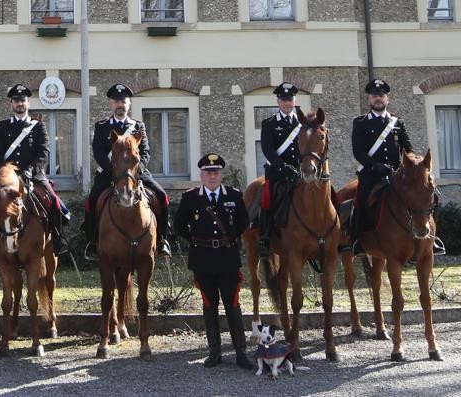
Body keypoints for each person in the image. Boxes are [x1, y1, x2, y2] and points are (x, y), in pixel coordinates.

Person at [347, 78, 445, 256]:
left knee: (433, 195)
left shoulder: (397, 123)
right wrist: (377, 166)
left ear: (387, 99)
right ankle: (358, 241)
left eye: (382, 96)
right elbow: (358, 152)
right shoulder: (360, 123)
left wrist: (416, 163)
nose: (378, 99)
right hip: (372, 174)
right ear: (369, 99)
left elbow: (407, 148)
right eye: (375, 96)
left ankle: (433, 239)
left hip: (398, 175)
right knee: (360, 199)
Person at [174, 153, 254, 370]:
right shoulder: (191, 198)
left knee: (233, 305)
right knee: (210, 307)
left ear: (221, 175)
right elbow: (178, 224)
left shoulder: (233, 195)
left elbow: (243, 222)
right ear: (202, 174)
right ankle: (214, 352)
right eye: (208, 173)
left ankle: (241, 352)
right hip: (203, 259)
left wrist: (229, 238)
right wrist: (195, 240)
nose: (212, 176)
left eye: (216, 172)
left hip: (227, 258)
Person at [0, 84, 68, 262]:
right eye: (16, 100)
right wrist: (7, 172)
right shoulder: (2, 126)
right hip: (6, 178)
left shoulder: (38, 126)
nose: (20, 103)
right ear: (11, 103)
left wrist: (30, 170)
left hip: (33, 175)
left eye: (23, 100)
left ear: (28, 102)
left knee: (55, 203)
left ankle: (57, 240)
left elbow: (44, 152)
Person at [82, 83, 172, 261]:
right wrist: (114, 171)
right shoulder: (101, 127)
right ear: (111, 104)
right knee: (92, 201)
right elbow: (98, 153)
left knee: (162, 196)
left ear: (129, 104)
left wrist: (137, 170)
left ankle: (162, 240)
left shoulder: (138, 127)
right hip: (109, 173)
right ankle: (92, 242)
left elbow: (145, 152)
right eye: (116, 101)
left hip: (136, 173)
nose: (119, 104)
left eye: (123, 101)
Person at [257, 82, 302, 258]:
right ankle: (265, 236)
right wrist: (283, 167)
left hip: (301, 173)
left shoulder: (302, 123)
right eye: (283, 100)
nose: (286, 103)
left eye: (289, 99)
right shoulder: (268, 123)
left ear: (294, 100)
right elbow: (268, 149)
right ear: (278, 102)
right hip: (278, 173)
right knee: (269, 199)